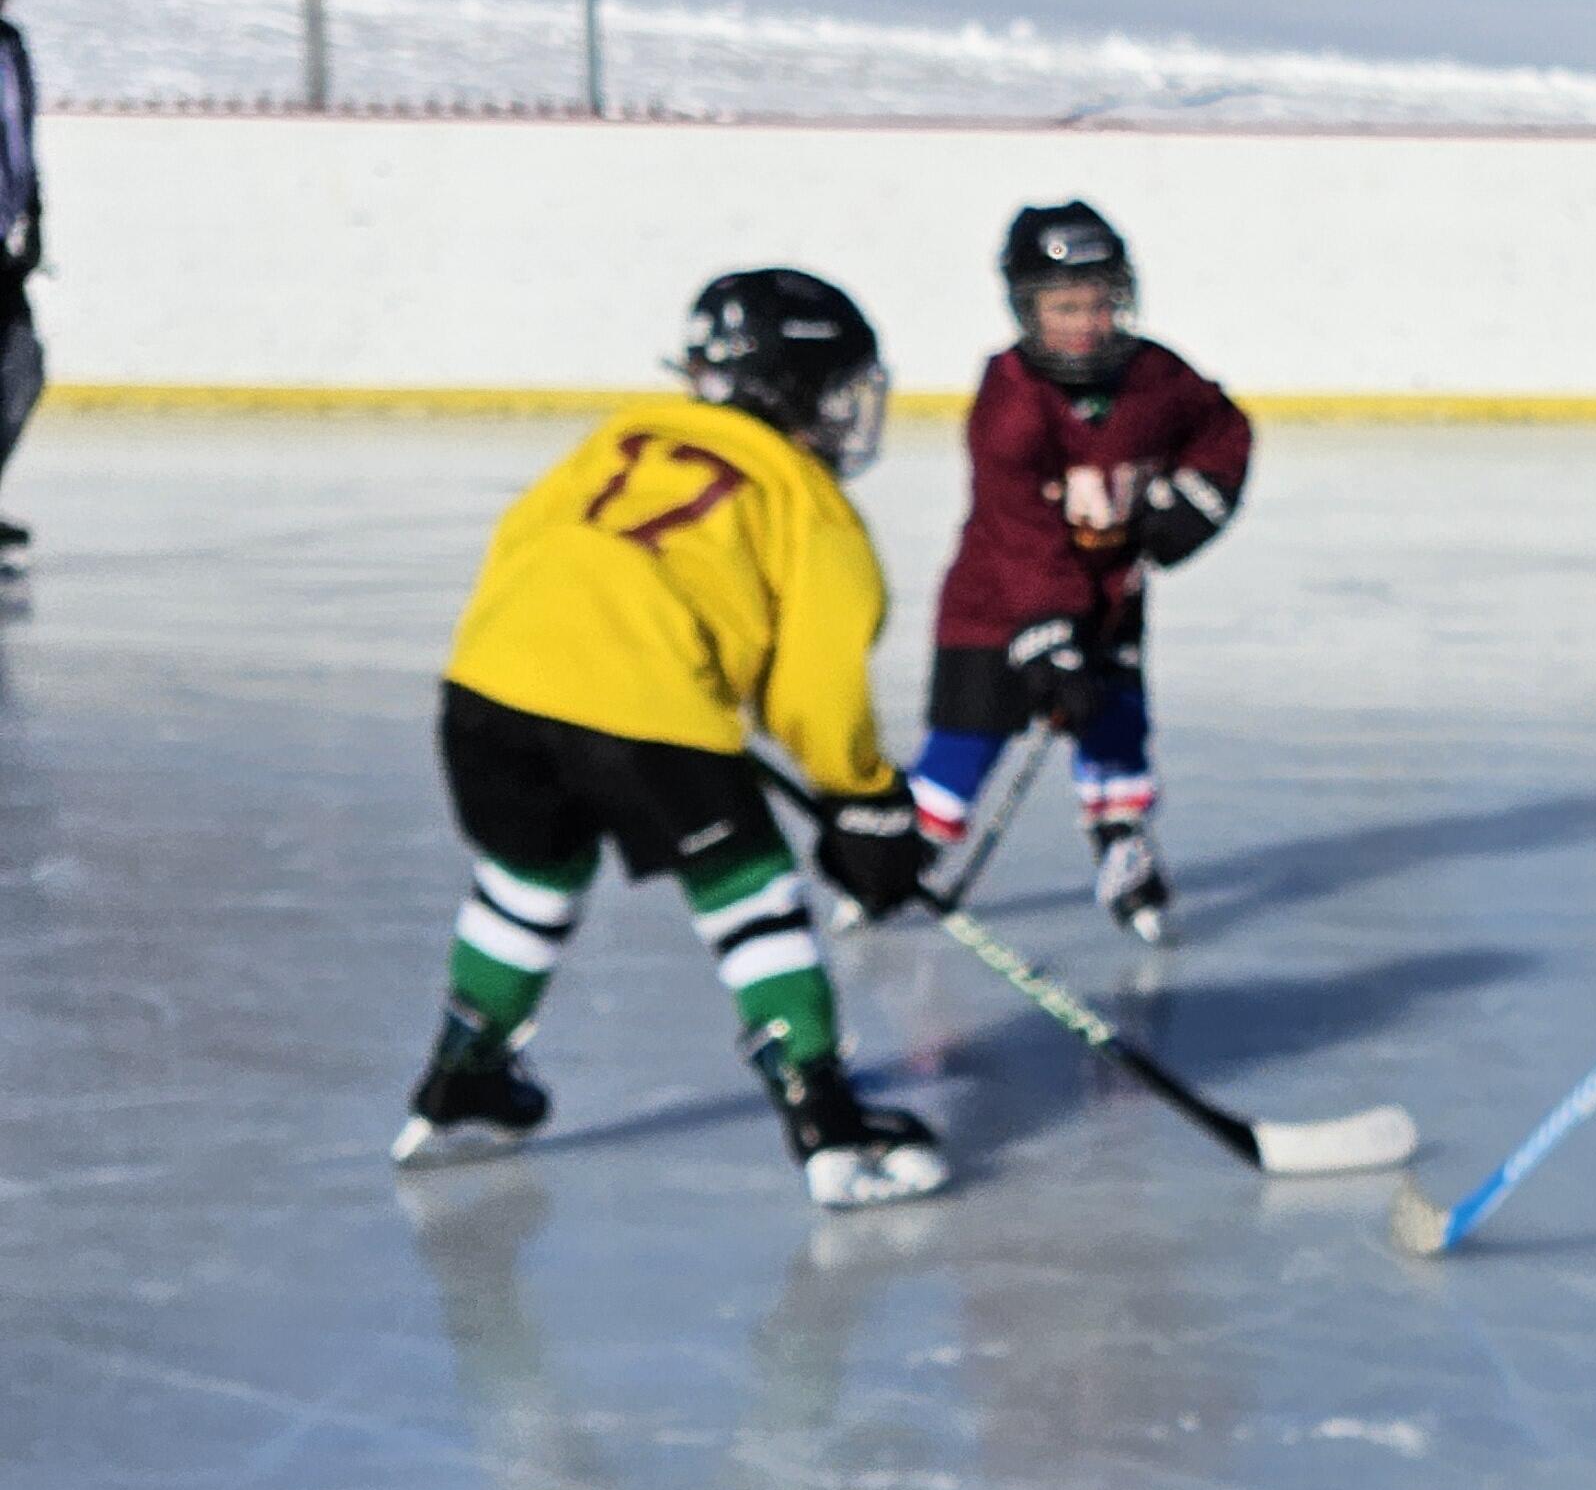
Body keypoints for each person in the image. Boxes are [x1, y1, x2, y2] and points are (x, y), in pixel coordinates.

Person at [394, 269, 949, 1209]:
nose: (849, 413)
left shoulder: (621, 436)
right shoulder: (806, 501)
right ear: (794, 388)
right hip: (644, 717)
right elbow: (819, 686)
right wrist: (863, 801)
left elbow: (531, 545)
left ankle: (463, 1081)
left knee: (528, 876)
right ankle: (831, 1129)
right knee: (752, 899)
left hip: (488, 691)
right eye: (838, 388)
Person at [910, 201, 1251, 943]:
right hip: (994, 607)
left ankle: (1123, 843)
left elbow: (1223, 429)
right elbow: (1018, 535)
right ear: (1026, 308)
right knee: (962, 749)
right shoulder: (1008, 403)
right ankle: (907, 851)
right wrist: (1050, 639)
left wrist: (1198, 498)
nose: (1087, 321)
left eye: (1101, 302)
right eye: (1065, 306)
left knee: (1115, 727)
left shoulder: (1154, 375)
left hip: (1110, 601)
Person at [0, 0, 41, 564]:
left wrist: (36, 218)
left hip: (3, 244)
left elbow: (18, 145)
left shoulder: (11, 45)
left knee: (22, 369)